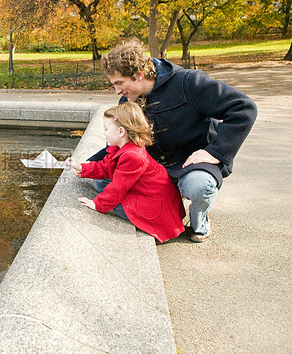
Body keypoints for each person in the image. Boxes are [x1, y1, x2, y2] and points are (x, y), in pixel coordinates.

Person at [90, 38, 257, 242]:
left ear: (139, 75)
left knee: (198, 186)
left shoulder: (189, 82)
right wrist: (89, 164)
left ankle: (200, 221)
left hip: (192, 163)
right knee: (100, 181)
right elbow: (123, 141)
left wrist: (216, 152)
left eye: (119, 83)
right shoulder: (128, 100)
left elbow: (243, 107)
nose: (117, 91)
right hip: (154, 169)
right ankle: (164, 209)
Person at [66, 101, 186, 243]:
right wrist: (82, 167)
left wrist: (97, 205)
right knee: (100, 183)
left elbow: (117, 188)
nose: (104, 133)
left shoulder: (132, 156)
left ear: (121, 131)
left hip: (153, 207)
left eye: (106, 129)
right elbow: (106, 166)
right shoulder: (125, 146)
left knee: (116, 206)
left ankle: (144, 221)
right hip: (148, 194)